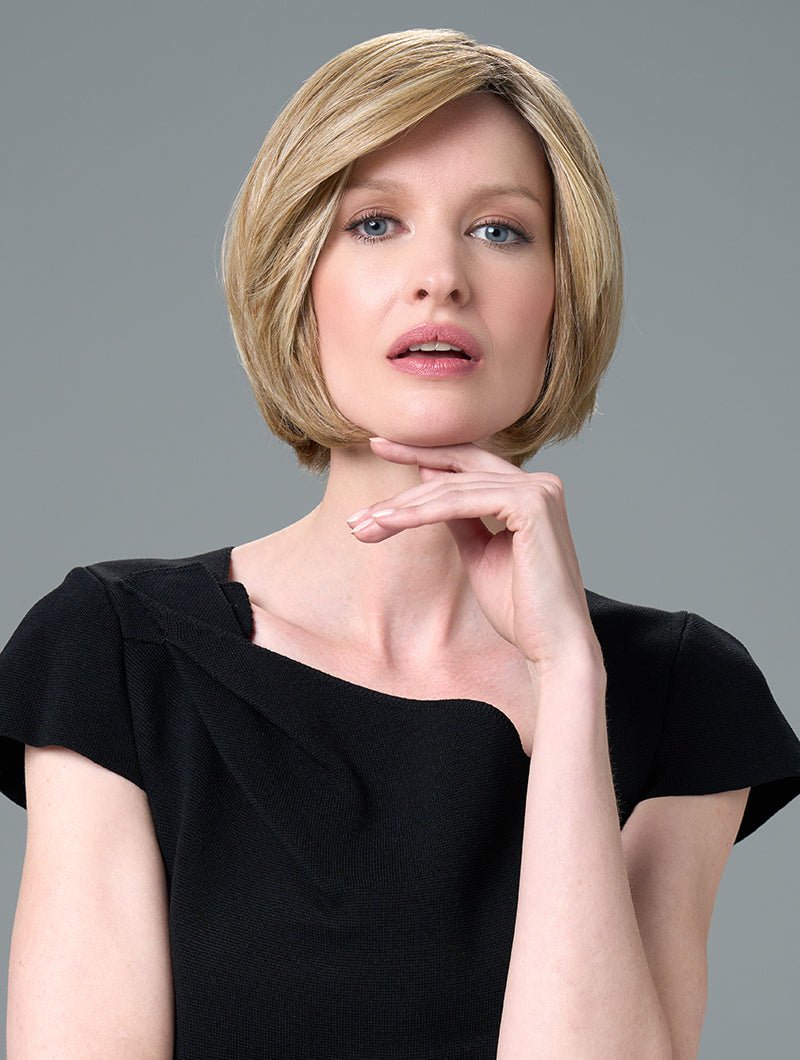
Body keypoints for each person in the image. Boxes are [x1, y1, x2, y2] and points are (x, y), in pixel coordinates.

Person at [2, 26, 799, 1059]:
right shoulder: (114, 656)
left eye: (501, 231)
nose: (440, 277)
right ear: (297, 279)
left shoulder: (680, 693)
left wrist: (567, 684)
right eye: (374, 223)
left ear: (562, 295)